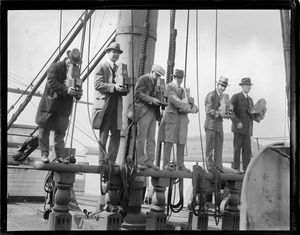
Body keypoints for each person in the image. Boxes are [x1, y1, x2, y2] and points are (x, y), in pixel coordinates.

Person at [35, 48, 83, 163]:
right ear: (67, 59)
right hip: (51, 104)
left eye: (76, 63)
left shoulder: (76, 71)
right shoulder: (55, 67)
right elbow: (51, 82)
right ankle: (44, 155)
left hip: (64, 106)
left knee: (60, 132)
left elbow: (78, 87)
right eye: (72, 62)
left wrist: (77, 94)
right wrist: (66, 89)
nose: (74, 65)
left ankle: (59, 156)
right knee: (44, 129)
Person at [157, 69, 198, 172]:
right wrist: (189, 108)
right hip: (171, 117)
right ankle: (166, 164)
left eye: (181, 78)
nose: (179, 79)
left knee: (181, 141)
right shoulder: (169, 87)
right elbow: (173, 100)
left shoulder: (183, 90)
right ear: (173, 77)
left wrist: (194, 108)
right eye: (177, 77)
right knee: (169, 141)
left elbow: (188, 101)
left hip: (182, 119)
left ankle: (181, 165)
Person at [92, 42, 125, 165]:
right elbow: (97, 84)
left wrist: (124, 89)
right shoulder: (102, 67)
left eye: (117, 52)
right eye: (113, 52)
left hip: (116, 105)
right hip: (105, 104)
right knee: (104, 133)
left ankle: (111, 160)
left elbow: (122, 85)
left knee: (116, 133)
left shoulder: (120, 69)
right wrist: (114, 87)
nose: (115, 54)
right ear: (108, 53)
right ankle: (102, 160)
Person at [135, 64, 165, 170]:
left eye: (159, 76)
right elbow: (138, 93)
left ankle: (149, 162)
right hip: (143, 111)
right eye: (157, 75)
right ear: (152, 71)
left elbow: (159, 95)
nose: (158, 77)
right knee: (141, 138)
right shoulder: (143, 79)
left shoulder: (157, 83)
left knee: (151, 138)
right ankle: (139, 162)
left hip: (153, 112)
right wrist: (152, 100)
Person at [231, 77, 261, 173]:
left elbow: (251, 113)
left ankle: (246, 169)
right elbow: (230, 112)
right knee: (237, 148)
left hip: (247, 129)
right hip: (238, 128)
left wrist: (259, 115)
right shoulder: (236, 97)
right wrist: (237, 122)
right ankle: (236, 168)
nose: (249, 88)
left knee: (247, 150)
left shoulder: (250, 100)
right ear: (242, 86)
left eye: (250, 86)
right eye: (248, 86)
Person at [204, 76, 229, 173]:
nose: (223, 88)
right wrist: (219, 113)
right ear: (217, 84)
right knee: (209, 146)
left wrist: (227, 114)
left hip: (219, 126)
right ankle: (209, 166)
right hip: (210, 125)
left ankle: (218, 165)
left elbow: (226, 110)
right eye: (221, 85)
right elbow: (208, 110)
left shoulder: (224, 97)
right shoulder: (211, 95)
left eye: (224, 86)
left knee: (219, 146)